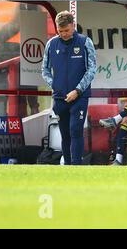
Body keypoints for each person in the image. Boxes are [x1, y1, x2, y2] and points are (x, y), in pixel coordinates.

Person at [41, 11, 97, 165]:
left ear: (73, 25)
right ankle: (67, 166)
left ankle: (76, 166)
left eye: (66, 30)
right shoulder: (51, 44)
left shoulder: (85, 42)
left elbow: (92, 69)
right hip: (60, 97)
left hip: (79, 96)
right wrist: (54, 84)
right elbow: (44, 69)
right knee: (65, 134)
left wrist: (78, 90)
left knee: (75, 130)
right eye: (60, 31)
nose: (64, 34)